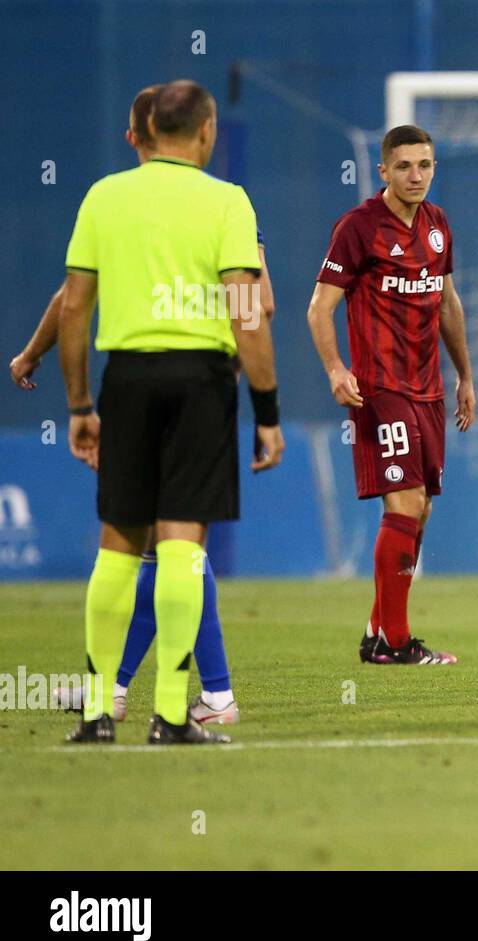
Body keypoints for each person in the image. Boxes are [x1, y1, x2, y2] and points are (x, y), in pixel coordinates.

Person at [12, 84, 275, 725]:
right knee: (184, 547)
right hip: (202, 382)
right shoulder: (227, 202)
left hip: (126, 380)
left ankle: (102, 708)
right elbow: (251, 305)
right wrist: (266, 408)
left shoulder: (106, 196)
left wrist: (77, 403)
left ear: (142, 134)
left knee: (120, 548)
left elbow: (74, 303)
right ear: (207, 131)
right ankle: (177, 714)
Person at [307, 124, 474, 665]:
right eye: (404, 166)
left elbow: (446, 302)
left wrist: (465, 374)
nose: (416, 175)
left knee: (420, 509)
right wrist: (336, 369)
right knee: (403, 503)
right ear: (383, 171)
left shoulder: (438, 225)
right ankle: (397, 644)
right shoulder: (358, 228)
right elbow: (319, 308)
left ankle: (378, 631)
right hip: (380, 388)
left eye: (425, 164)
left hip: (427, 391)